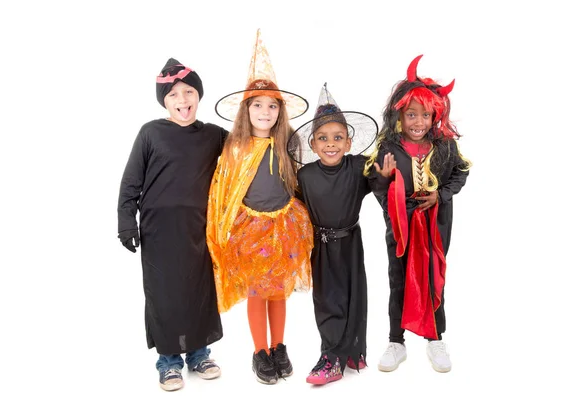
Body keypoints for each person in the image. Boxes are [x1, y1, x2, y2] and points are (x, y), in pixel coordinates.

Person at [206, 29, 313, 385]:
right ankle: (260, 351)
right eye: (257, 104)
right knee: (257, 291)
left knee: (278, 291)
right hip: (249, 230)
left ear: (280, 111)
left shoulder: (289, 143)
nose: (265, 111)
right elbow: (225, 188)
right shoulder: (235, 147)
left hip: (284, 226)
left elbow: (302, 180)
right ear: (246, 110)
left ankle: (280, 346)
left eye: (272, 105)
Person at [117, 58, 225, 391]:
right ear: (164, 100)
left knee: (198, 290)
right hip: (158, 230)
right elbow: (131, 181)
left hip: (199, 228)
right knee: (164, 294)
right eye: (174, 94)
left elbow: (247, 156)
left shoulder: (213, 136)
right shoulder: (151, 132)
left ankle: (198, 353)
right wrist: (126, 221)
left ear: (199, 95)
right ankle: (168, 361)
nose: (182, 100)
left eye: (188, 91)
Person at [366, 54, 472, 374]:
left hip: (436, 225)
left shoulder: (445, 146)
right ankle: (396, 341)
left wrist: (440, 194)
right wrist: (394, 211)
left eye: (425, 115)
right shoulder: (388, 146)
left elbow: (460, 173)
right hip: (400, 224)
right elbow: (377, 180)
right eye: (411, 114)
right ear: (400, 114)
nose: (418, 122)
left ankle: (435, 338)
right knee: (398, 279)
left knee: (433, 278)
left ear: (434, 117)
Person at [289, 83, 395, 385]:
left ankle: (351, 350)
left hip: (351, 242)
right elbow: (294, 210)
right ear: (312, 144)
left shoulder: (358, 167)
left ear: (349, 142)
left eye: (338, 138)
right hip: (321, 247)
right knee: (327, 300)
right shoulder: (305, 176)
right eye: (323, 138)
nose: (330, 144)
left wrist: (383, 177)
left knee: (353, 296)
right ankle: (330, 356)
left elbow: (380, 190)